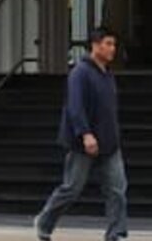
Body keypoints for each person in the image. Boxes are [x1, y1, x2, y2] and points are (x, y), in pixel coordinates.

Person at [34, 26, 126, 241]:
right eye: (108, 44)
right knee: (72, 188)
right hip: (84, 143)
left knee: (117, 190)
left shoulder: (107, 74)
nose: (113, 49)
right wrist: (85, 133)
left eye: (114, 44)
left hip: (110, 143)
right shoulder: (80, 72)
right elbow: (75, 106)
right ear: (95, 45)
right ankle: (44, 222)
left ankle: (116, 233)